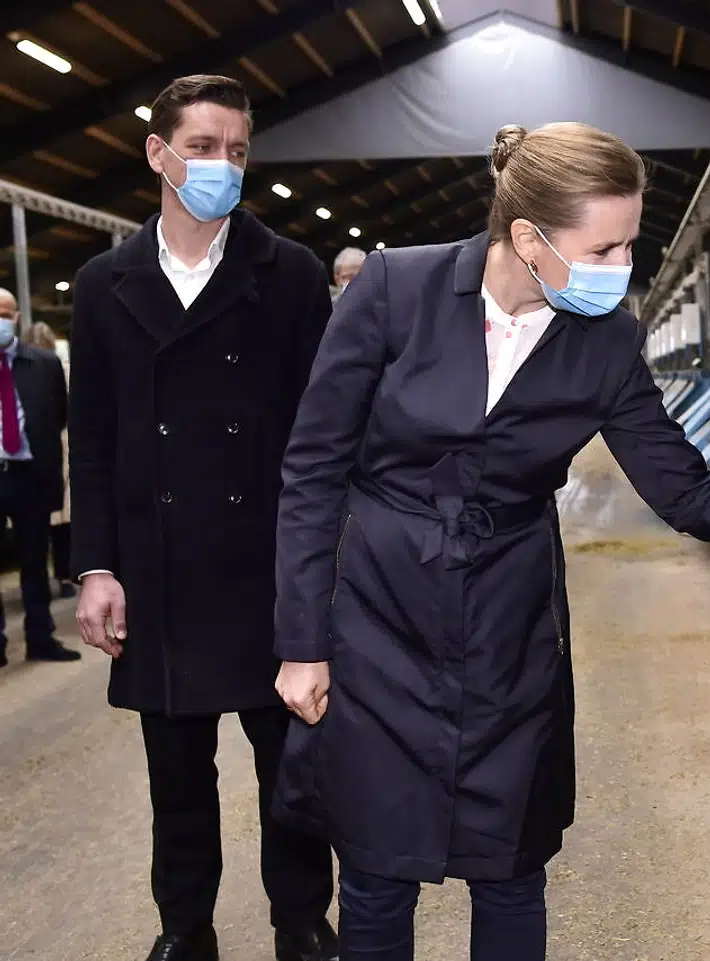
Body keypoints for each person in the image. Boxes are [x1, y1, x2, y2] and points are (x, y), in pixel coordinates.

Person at [269, 121, 710, 961]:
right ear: (527, 237)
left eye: (629, 245)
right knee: (376, 875)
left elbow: (690, 492)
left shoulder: (605, 342)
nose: (622, 268)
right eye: (604, 248)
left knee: (511, 870)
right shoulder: (396, 289)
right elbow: (313, 470)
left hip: (509, 625)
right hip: (378, 616)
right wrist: (302, 643)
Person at [67, 74, 337, 961]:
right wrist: (96, 566)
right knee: (176, 776)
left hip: (267, 566)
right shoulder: (104, 284)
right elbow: (92, 441)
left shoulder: (290, 275)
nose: (223, 164)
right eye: (202, 147)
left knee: (291, 766)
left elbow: (321, 438)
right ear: (158, 154)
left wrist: (323, 571)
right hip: (161, 568)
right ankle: (185, 928)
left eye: (237, 150)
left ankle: (301, 920)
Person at [0, 291, 77, 666]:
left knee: (34, 562)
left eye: (5, 314)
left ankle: (41, 638)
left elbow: (59, 415)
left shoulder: (44, 364)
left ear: (17, 318)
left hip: (29, 476)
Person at [22, 320, 77, 600]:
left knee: (43, 527)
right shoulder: (59, 369)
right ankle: (62, 576)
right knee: (59, 525)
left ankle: (51, 578)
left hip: (48, 454)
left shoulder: (54, 369)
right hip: (54, 453)